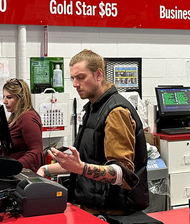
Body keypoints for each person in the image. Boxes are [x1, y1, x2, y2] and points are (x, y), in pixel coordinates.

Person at [37, 49, 148, 215]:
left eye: (81, 77)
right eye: (73, 78)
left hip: (113, 212)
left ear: (98, 75)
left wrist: (81, 168)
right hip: (92, 205)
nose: (75, 84)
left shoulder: (116, 111)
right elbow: (88, 161)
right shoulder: (92, 108)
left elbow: (120, 174)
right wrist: (46, 170)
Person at [0, 78, 44, 172]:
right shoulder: (14, 117)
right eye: (4, 97)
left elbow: (36, 152)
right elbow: (9, 146)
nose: (4, 101)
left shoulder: (28, 118)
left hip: (22, 174)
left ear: (22, 99)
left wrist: (15, 166)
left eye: (9, 97)